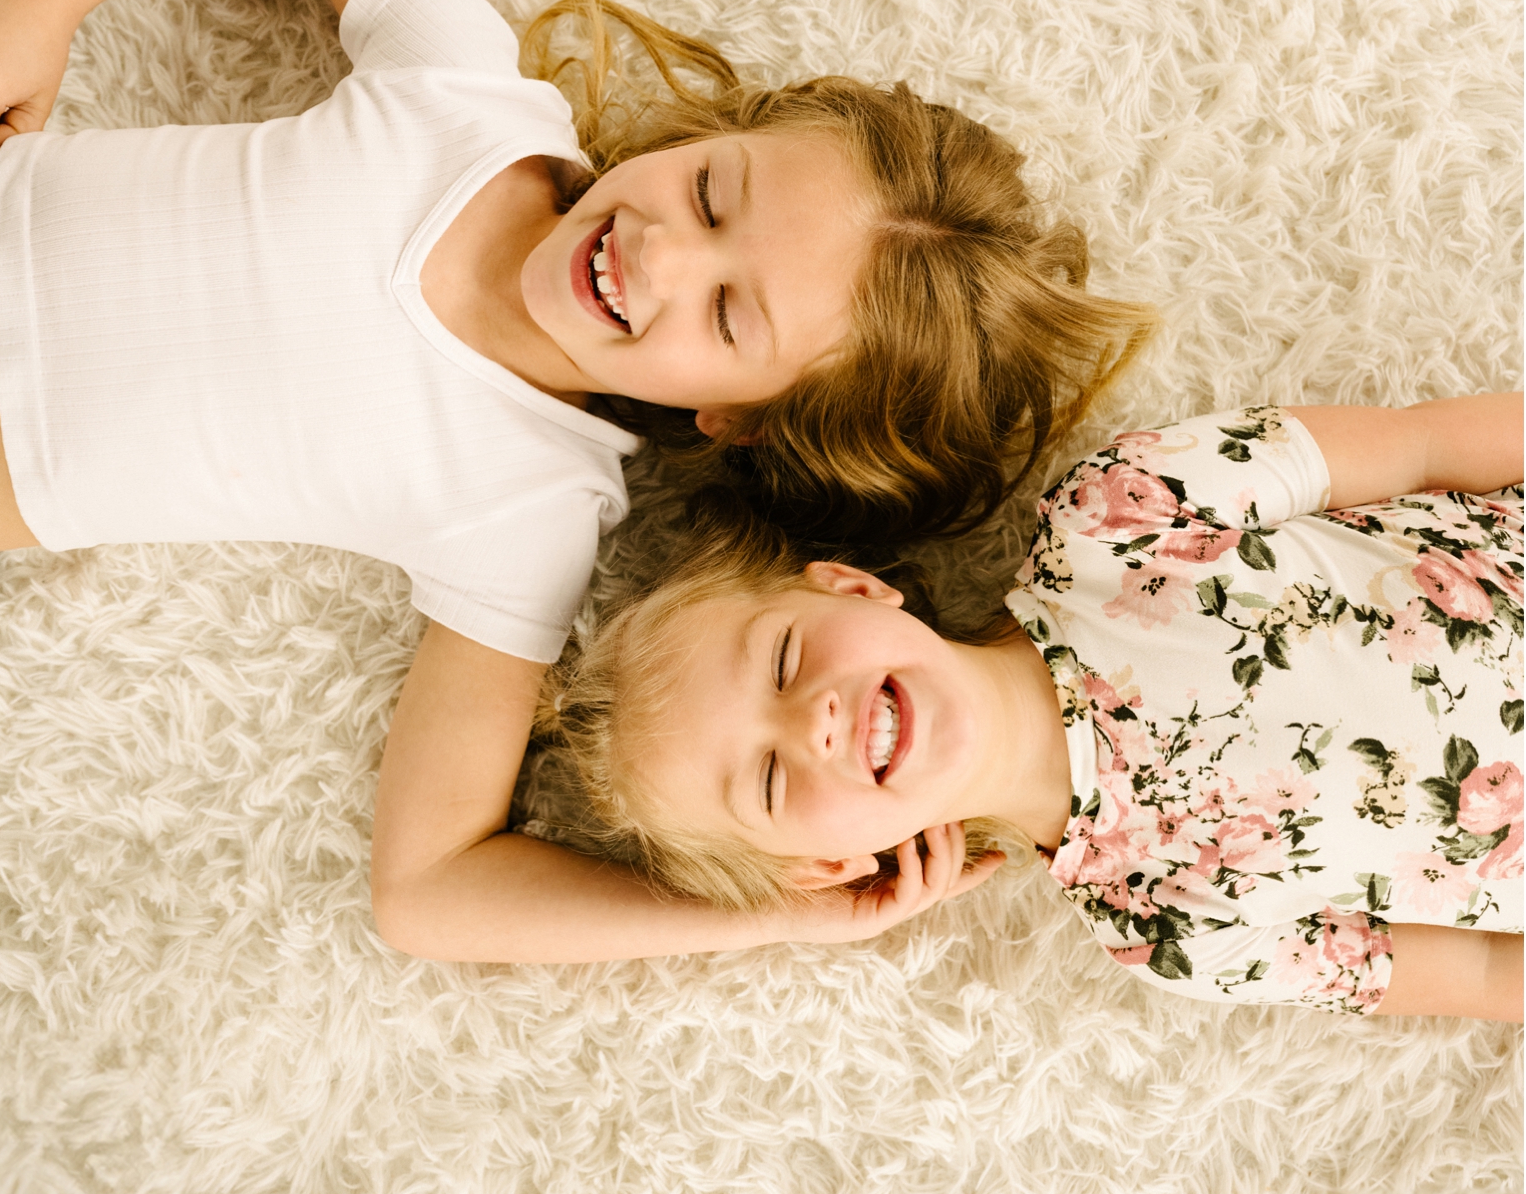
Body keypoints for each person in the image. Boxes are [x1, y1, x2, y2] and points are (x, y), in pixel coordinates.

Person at [0, 0, 1147, 960]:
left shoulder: (526, 514)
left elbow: (430, 892)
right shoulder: (471, 102)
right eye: (708, 194)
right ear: (716, 134)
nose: (662, 253)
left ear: (737, 417)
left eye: (729, 314)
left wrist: (776, 916)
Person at [557, 395, 1523, 1016]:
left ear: (848, 586)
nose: (806, 721)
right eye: (766, 777)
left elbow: (1422, 442)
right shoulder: (1161, 923)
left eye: (779, 661)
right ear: (828, 867)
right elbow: (1478, 973)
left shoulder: (1115, 513)